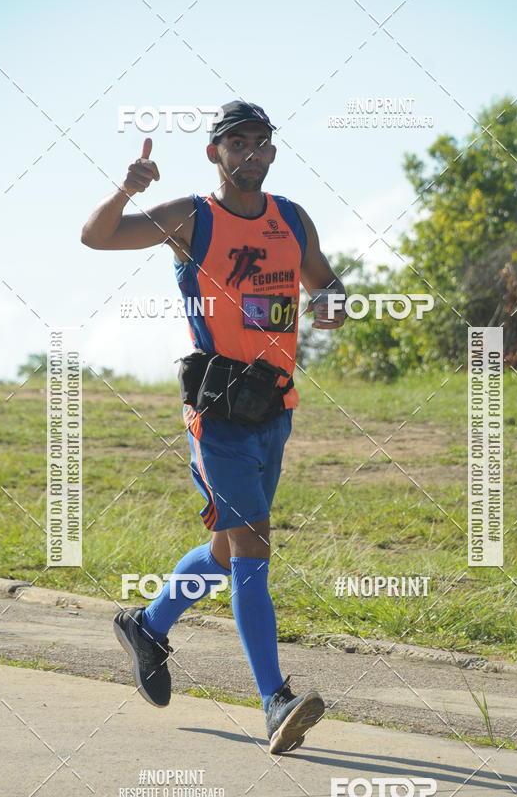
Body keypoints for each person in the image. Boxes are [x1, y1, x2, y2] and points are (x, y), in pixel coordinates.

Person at [81, 100, 347, 753]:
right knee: (253, 547)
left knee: (229, 556)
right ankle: (275, 699)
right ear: (215, 154)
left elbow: (326, 281)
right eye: (237, 143)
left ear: (273, 154)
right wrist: (125, 189)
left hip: (274, 412)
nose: (250, 153)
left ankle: (147, 624)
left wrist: (332, 304)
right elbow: (97, 236)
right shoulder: (190, 218)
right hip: (218, 412)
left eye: (261, 143)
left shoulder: (291, 218)